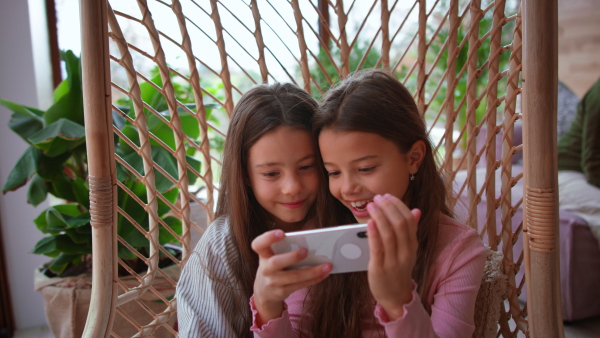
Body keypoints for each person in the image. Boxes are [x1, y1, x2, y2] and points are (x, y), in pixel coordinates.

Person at [249, 69, 487, 337]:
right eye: (333, 172)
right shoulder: (321, 234)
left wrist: (397, 301)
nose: (348, 188)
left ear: (414, 157)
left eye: (365, 168)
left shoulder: (457, 251)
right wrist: (267, 306)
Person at [176, 82, 339, 337]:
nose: (292, 187)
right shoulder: (222, 246)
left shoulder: (344, 225)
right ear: (246, 175)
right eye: (272, 173)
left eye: (307, 166)